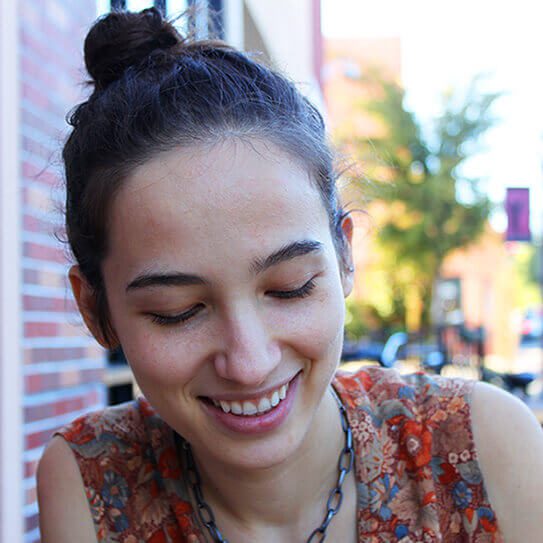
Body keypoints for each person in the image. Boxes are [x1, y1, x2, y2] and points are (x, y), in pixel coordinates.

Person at [37, 8, 543, 543]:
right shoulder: (90, 481)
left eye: (290, 287)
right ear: (97, 311)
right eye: (177, 312)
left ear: (345, 257)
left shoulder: (483, 447)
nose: (250, 364)